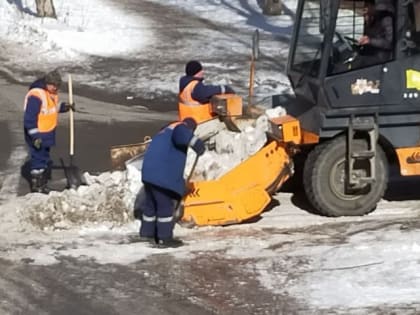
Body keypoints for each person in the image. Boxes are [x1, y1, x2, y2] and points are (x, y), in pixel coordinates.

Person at [140, 117, 205, 248]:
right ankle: (165, 238)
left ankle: (147, 234)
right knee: (165, 207)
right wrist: (197, 144)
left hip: (148, 173)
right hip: (160, 176)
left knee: (150, 207)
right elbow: (181, 135)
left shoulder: (164, 131)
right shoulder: (180, 128)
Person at [23, 70, 75, 193]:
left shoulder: (51, 93)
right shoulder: (36, 96)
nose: (56, 88)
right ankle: (38, 186)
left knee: (45, 157)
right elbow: (29, 118)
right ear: (47, 83)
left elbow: (52, 108)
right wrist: (35, 136)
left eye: (58, 85)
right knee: (38, 159)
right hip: (37, 134)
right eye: (54, 85)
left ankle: (43, 181)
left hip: (47, 133)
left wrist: (65, 107)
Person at [355, 0, 394, 67]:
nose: (365, 9)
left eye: (367, 6)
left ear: (373, 6)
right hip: (372, 54)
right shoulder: (372, 19)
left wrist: (370, 41)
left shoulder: (386, 19)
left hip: (381, 58)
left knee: (359, 63)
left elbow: (389, 43)